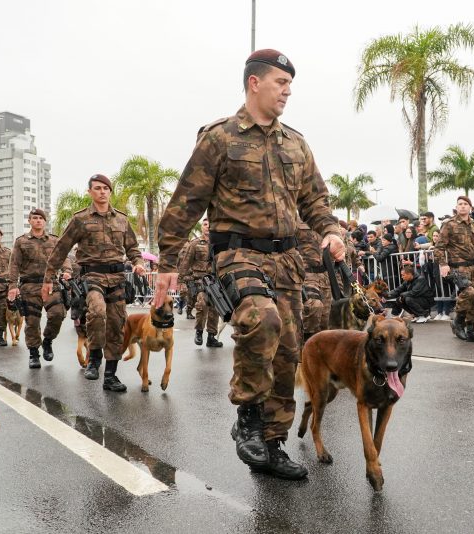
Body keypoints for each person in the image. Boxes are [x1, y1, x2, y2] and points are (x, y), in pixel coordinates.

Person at [152, 49, 344, 481]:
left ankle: (271, 444)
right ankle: (249, 418)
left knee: (288, 353)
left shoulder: (295, 143)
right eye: (281, 82)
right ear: (254, 83)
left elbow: (315, 200)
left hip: (288, 260)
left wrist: (331, 231)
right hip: (238, 254)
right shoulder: (219, 138)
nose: (288, 91)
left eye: (290, 85)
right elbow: (186, 203)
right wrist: (167, 262)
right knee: (263, 320)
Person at [43, 174, 146, 392]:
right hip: (92, 277)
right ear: (90, 192)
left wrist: (138, 263)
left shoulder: (122, 220)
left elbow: (133, 248)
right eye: (97, 188)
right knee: (97, 312)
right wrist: (49, 277)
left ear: (110, 192)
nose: (102, 192)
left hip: (117, 279)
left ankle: (110, 376)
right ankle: (94, 359)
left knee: (117, 325)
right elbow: (61, 249)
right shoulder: (80, 219)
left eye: (105, 188)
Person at [7, 209, 72, 368]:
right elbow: (14, 264)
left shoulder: (54, 240)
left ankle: (48, 340)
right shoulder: (21, 241)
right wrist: (13, 286)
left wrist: (67, 271)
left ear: (45, 221)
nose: (38, 220)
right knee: (32, 321)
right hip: (29, 286)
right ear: (29, 221)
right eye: (35, 218)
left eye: (41, 218)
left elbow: (63, 257)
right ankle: (34, 353)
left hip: (50, 285)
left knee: (57, 314)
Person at [435, 196, 474, 342]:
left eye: (465, 204)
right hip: (457, 268)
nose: (463, 206)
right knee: (469, 292)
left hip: (473, 267)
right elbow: (439, 247)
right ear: (456, 207)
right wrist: (443, 264)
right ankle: (458, 322)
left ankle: (471, 330)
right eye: (460, 204)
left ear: (470, 207)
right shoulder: (449, 224)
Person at [179, 218, 223, 347]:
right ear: (202, 227)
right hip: (200, 281)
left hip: (216, 282)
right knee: (202, 305)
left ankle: (211, 337)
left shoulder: (219, 244)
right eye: (205, 224)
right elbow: (185, 263)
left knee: (215, 309)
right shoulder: (195, 244)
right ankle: (199, 332)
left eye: (210, 224)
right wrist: (181, 281)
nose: (207, 226)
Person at [296, 221, 331, 342]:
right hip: (306, 275)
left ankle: (319, 348)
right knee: (312, 308)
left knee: (324, 320)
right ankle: (305, 345)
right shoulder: (295, 221)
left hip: (324, 276)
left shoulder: (326, 223)